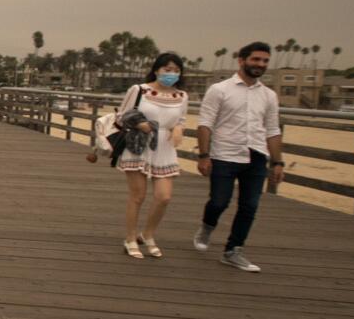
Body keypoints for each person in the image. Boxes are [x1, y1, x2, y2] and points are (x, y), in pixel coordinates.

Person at [194, 42, 284, 271]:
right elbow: (205, 123)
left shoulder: (269, 95)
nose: (260, 65)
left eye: (264, 61)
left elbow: (272, 130)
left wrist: (277, 162)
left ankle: (233, 250)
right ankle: (207, 226)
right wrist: (204, 155)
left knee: (249, 206)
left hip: (256, 156)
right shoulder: (220, 90)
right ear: (242, 61)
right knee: (218, 202)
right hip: (225, 154)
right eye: (256, 59)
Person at [112, 54, 188, 259]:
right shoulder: (139, 90)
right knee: (138, 196)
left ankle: (147, 234)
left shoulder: (181, 96)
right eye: (167, 69)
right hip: (139, 145)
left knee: (164, 197)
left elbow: (181, 119)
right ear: (156, 70)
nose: (171, 74)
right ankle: (130, 238)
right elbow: (121, 116)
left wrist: (179, 128)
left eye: (175, 70)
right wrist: (139, 124)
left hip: (165, 147)